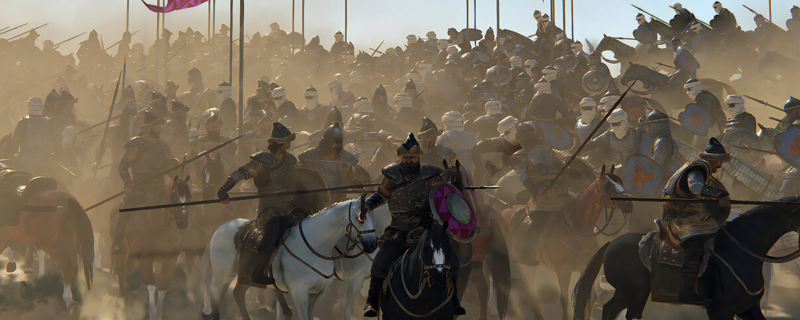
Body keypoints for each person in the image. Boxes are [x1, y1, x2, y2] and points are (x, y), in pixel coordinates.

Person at [360, 133, 465, 317]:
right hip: (399, 227)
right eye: (406, 157)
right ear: (401, 157)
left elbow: (440, 197)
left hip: (426, 227)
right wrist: (367, 205)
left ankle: (454, 299)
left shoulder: (431, 174)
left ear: (418, 158)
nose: (409, 160)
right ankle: (372, 302)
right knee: (381, 262)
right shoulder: (391, 174)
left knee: (451, 259)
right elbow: (381, 195)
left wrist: (432, 214)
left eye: (412, 157)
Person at [217, 122, 299, 285]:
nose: (289, 144)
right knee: (274, 229)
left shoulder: (290, 160)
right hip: (269, 210)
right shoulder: (262, 161)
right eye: (287, 141)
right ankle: (257, 272)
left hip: (289, 208)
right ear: (280, 142)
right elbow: (241, 173)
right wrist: (223, 189)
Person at [659, 137, 731, 305]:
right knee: (695, 244)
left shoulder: (701, 168)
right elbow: (695, 187)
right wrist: (719, 194)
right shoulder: (699, 168)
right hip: (677, 219)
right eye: (720, 161)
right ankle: (686, 292)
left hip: (688, 217)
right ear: (713, 159)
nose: (720, 166)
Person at [113, 111, 178, 254]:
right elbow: (122, 166)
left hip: (159, 188)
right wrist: (128, 184)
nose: (160, 130)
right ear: (150, 127)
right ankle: (117, 243)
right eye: (158, 127)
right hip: (139, 189)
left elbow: (167, 166)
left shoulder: (162, 145)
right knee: (125, 213)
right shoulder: (137, 144)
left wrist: (178, 172)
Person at [298, 123, 359, 202]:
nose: (334, 147)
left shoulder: (346, 160)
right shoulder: (310, 157)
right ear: (325, 142)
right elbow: (300, 176)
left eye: (336, 145)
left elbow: (348, 179)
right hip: (314, 199)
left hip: (338, 200)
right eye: (331, 144)